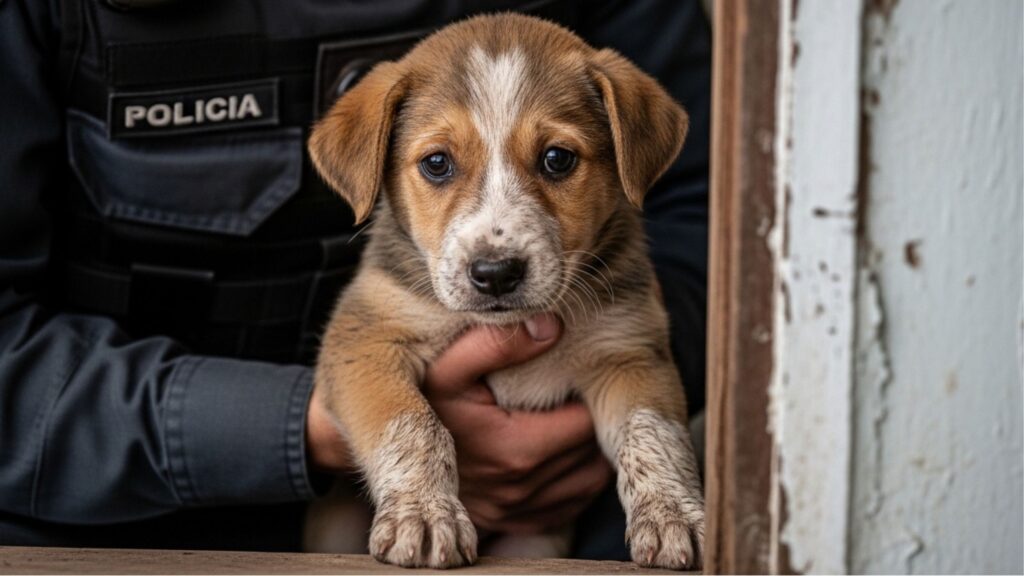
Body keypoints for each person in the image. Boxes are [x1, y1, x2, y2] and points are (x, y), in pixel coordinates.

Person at [0, 0, 710, 559]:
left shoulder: (611, 91)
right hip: (112, 518)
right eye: (439, 166)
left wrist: (649, 473)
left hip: (563, 508)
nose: (495, 245)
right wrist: (332, 439)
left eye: (556, 161)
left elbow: (712, 210)